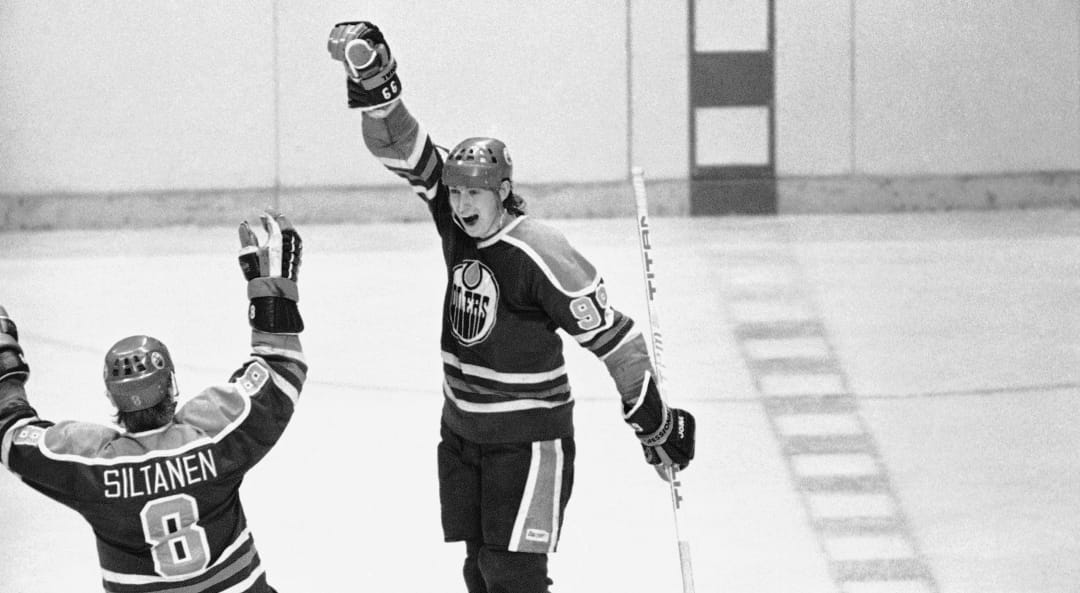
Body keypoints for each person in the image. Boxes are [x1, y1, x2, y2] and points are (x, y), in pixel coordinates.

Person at [328, 22, 697, 593]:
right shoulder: (455, 222)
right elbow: (400, 145)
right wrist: (374, 78)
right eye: (454, 191)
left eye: (473, 192)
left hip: (528, 443)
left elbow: (617, 341)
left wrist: (654, 425)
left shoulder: (539, 251)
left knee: (512, 577)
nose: (460, 202)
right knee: (479, 572)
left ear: (502, 191)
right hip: (462, 434)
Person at [0, 210, 306, 593]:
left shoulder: (90, 465)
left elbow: (12, 435)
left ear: (112, 398)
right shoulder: (215, 437)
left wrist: (5, 365)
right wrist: (271, 294)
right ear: (172, 385)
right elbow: (281, 368)